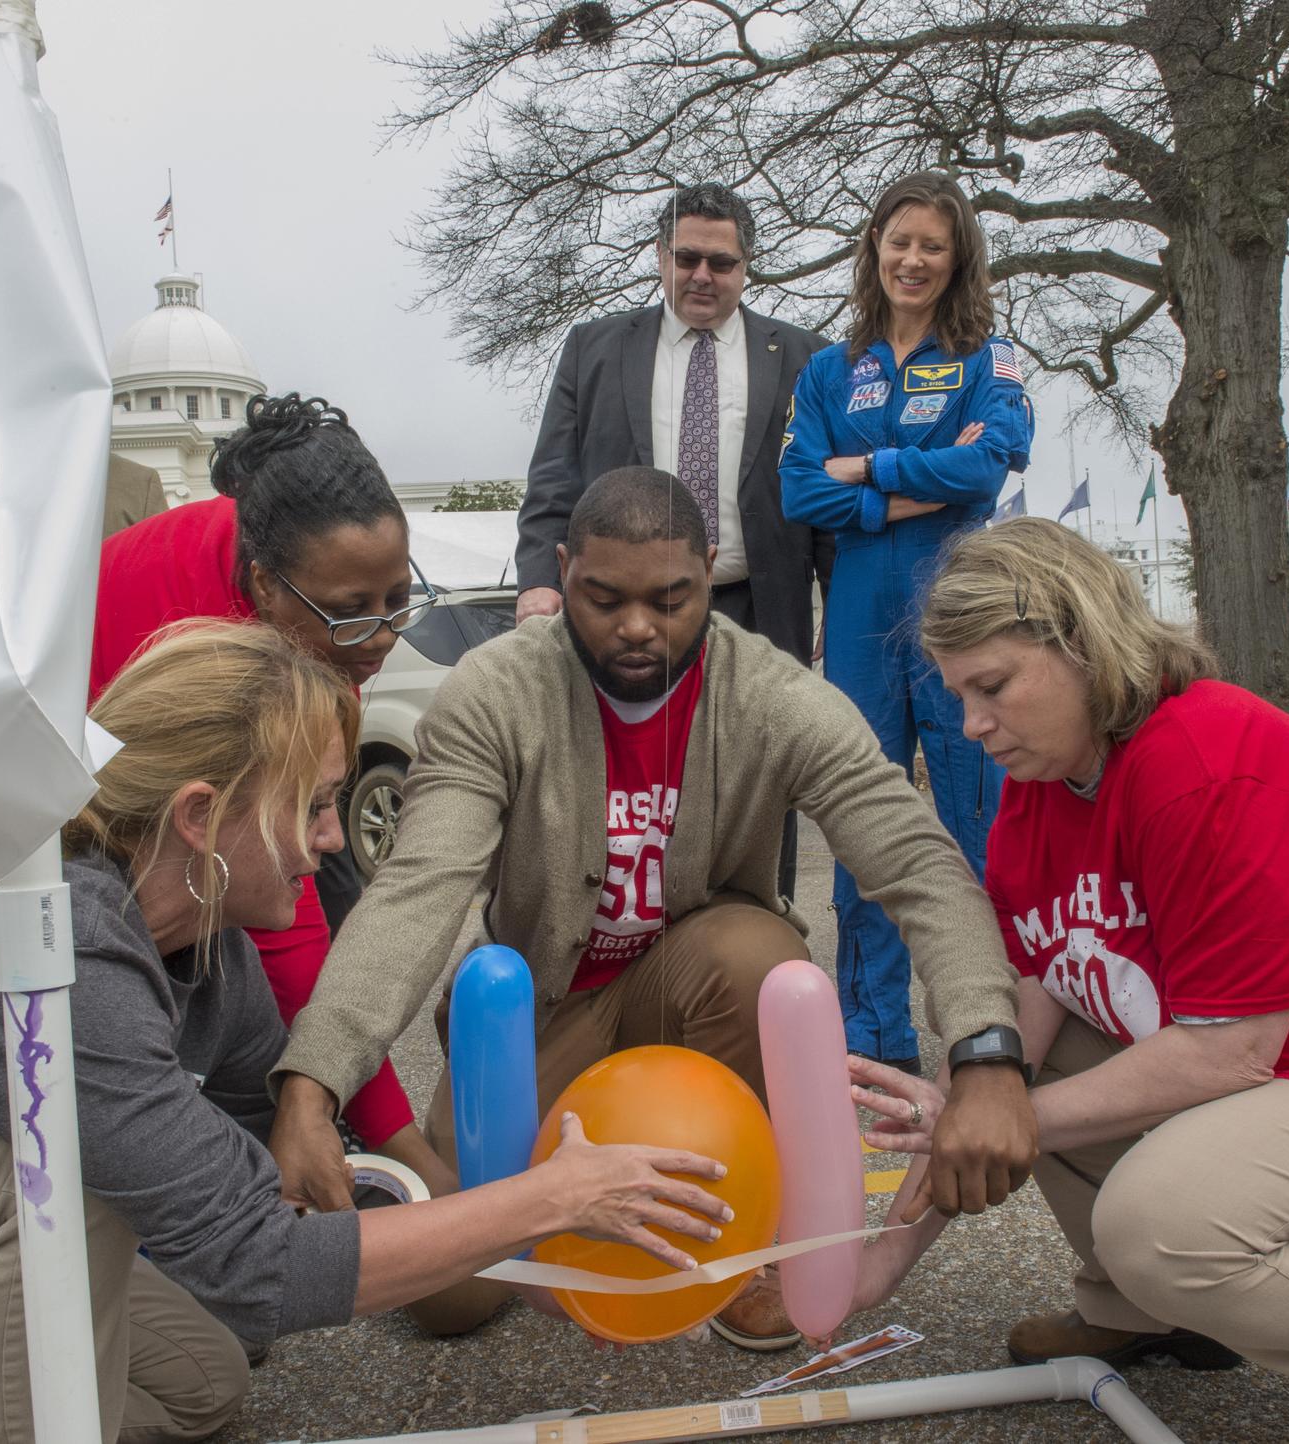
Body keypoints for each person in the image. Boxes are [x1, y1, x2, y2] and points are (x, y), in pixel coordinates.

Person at [0, 622, 730, 1444]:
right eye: (313, 805)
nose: (331, 841)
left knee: (202, 1379)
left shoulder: (206, 948)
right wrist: (548, 1200)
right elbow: (257, 1262)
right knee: (46, 1164)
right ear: (202, 817)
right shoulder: (45, 941)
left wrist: (305, 1105)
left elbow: (262, 1191)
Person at [274, 468, 1038, 1350]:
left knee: (757, 956)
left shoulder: (773, 696)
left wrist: (987, 1050)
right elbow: (419, 887)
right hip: (553, 1007)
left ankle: (738, 1244)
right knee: (450, 1302)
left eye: (671, 599)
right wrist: (312, 1082)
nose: (637, 626)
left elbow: (914, 860)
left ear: (709, 570)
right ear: (564, 570)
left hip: (695, 992)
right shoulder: (494, 692)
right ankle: (553, 1219)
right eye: (604, 598)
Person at [843, 518, 1289, 1444]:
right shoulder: (1044, 784)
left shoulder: (1207, 759)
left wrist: (998, 1118)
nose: (972, 725)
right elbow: (1026, 1011)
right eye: (958, 695)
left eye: (993, 686)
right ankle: (1146, 1310)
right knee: (1012, 1072)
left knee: (1161, 1222)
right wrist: (879, 1263)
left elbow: (1230, 1054)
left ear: (1083, 644)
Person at [92, 392, 443, 1187]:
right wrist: (406, 1150)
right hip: (94, 804)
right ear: (265, 587)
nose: (384, 637)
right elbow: (286, 934)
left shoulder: (315, 592)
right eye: (353, 613)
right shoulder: (205, 643)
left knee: (326, 916)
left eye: (398, 600)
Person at [779, 170, 1034, 1074]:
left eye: (933, 245)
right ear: (875, 249)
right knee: (865, 825)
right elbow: (798, 489)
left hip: (958, 605)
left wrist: (866, 468)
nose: (914, 260)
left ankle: (1000, 1031)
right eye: (901, 242)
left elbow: (987, 467)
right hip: (857, 610)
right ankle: (876, 1045)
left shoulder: (989, 358)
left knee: (982, 822)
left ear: (958, 257)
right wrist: (915, 482)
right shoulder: (828, 370)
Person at [515, 183, 830, 897]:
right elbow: (553, 479)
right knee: (629, 783)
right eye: (687, 258)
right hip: (628, 610)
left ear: (747, 267)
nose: (702, 276)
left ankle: (761, 925)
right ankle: (622, 930)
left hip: (758, 607)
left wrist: (837, 603)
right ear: (661, 256)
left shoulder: (804, 357)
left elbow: (822, 498)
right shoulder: (594, 349)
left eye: (722, 263)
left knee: (759, 782)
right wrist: (538, 581)